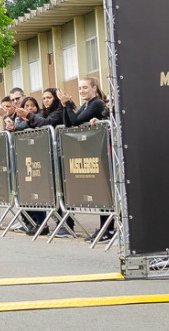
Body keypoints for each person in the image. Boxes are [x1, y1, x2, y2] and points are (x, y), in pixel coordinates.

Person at [58, 77, 111, 242]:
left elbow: (76, 120)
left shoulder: (96, 103)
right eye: (80, 88)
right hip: (92, 154)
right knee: (100, 191)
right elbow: (69, 124)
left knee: (105, 191)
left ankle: (108, 229)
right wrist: (65, 105)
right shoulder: (86, 105)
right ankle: (104, 228)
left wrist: (67, 105)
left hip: (102, 153)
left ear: (94, 88)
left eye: (85, 88)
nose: (82, 91)